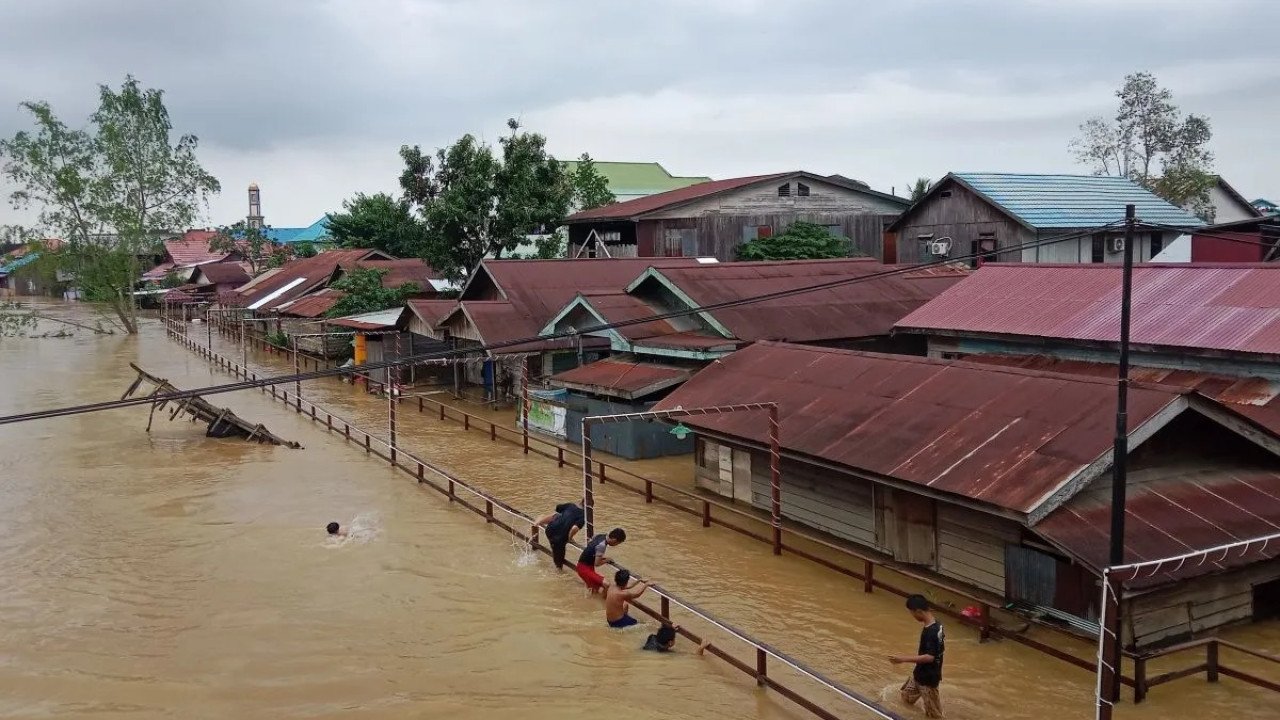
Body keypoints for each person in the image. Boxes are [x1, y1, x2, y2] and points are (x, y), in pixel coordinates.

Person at [889, 594, 945, 719]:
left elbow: (930, 657)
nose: (913, 616)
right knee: (906, 696)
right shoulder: (937, 625)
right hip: (919, 674)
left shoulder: (932, 632)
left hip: (928, 679)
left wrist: (903, 659)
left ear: (919, 611)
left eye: (912, 613)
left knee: (934, 715)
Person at [575, 527, 626, 593]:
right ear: (614, 540)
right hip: (584, 568)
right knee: (607, 584)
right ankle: (606, 601)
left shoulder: (600, 536)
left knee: (593, 589)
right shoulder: (602, 546)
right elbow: (597, 564)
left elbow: (591, 544)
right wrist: (607, 560)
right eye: (617, 543)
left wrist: (601, 557)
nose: (616, 545)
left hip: (584, 565)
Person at [536, 502, 584, 570]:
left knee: (557, 515)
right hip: (558, 538)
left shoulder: (570, 505)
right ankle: (558, 572)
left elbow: (557, 508)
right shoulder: (583, 516)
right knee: (559, 564)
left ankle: (539, 521)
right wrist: (569, 538)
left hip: (549, 529)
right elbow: (574, 528)